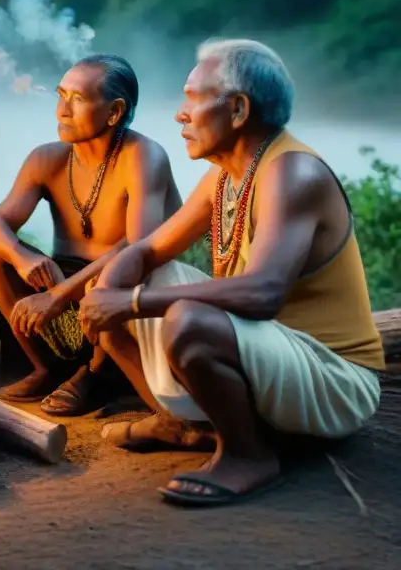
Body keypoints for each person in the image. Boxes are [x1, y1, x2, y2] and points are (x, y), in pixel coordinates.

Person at [79, 39, 385, 508]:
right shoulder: (227, 175)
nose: (180, 114)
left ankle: (248, 455)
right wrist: (113, 291)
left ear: (238, 109)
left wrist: (132, 303)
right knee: (124, 283)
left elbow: (264, 293)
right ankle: (184, 423)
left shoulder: (293, 173)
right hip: (270, 354)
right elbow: (147, 250)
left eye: (192, 97)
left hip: (333, 379)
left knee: (185, 317)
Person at [0, 55, 182, 414]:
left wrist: (60, 295)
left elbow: (139, 247)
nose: (62, 110)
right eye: (60, 95)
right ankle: (47, 369)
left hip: (124, 285)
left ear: (115, 112)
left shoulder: (143, 157)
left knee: (107, 279)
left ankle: (97, 375)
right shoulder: (47, 159)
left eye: (78, 99)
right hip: (67, 279)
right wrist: (23, 257)